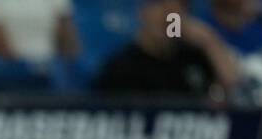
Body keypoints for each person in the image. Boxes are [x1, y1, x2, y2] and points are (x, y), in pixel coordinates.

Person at [95, 0, 240, 100]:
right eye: (160, 7)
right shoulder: (120, 68)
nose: (167, 18)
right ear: (143, 12)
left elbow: (234, 88)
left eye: (175, 11)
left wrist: (210, 42)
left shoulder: (193, 57)